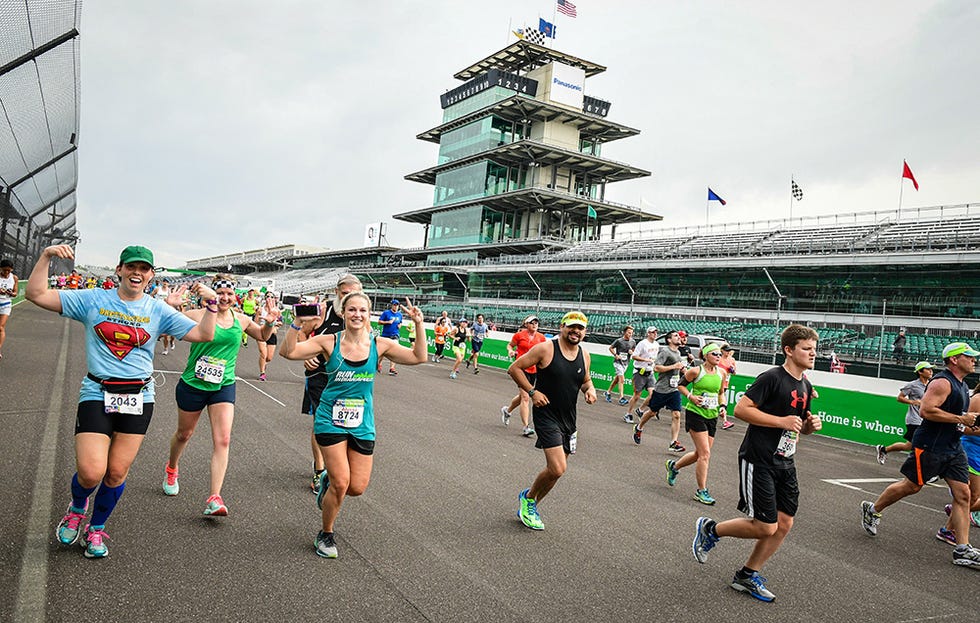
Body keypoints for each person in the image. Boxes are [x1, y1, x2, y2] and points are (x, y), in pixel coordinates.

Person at [27, 244, 217, 559]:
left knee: (115, 472)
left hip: (138, 398)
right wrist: (46, 257)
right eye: (131, 267)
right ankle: (77, 507)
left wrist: (211, 305)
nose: (137, 273)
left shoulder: (157, 310)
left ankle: (96, 529)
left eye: (144, 269)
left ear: (151, 275)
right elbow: (37, 295)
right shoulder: (93, 299)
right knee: (91, 472)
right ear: (119, 270)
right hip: (97, 393)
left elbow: (203, 335)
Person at [279, 292, 427, 559]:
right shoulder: (328, 341)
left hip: (362, 422)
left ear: (368, 314)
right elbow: (288, 352)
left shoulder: (379, 345)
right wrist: (296, 324)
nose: (357, 314)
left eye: (362, 310)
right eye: (351, 310)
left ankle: (328, 479)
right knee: (342, 482)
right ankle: (326, 533)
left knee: (356, 487)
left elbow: (419, 357)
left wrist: (418, 324)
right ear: (343, 313)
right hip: (329, 419)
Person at [691, 324, 822, 602]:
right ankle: (710, 529)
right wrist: (781, 421)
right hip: (759, 458)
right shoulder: (772, 377)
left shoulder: (806, 385)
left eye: (814, 349)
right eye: (806, 349)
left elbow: (796, 427)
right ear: (789, 350)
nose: (813, 354)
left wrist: (809, 426)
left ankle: (747, 575)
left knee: (784, 524)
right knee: (765, 526)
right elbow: (741, 410)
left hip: (785, 461)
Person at [162, 275, 276, 515]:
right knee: (184, 434)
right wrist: (170, 305)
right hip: (193, 383)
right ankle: (172, 468)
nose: (224, 298)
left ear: (235, 297)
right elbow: (165, 322)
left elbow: (264, 336)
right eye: (220, 293)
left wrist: (269, 323)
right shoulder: (196, 315)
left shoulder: (242, 320)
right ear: (210, 294)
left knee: (223, 439)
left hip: (223, 385)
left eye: (229, 294)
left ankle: (215, 497)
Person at [861, 342, 980, 569]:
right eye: (969, 356)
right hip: (930, 446)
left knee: (964, 495)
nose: (974, 360)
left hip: (953, 448)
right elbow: (927, 411)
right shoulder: (942, 382)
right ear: (954, 359)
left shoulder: (963, 386)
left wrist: (968, 423)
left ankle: (962, 549)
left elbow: (959, 417)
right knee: (912, 486)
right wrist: (961, 419)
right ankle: (873, 509)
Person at [511, 311, 596, 530]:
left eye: (580, 328)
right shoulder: (547, 348)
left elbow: (585, 379)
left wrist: (590, 389)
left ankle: (530, 506)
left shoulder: (584, 355)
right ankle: (529, 498)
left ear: (585, 332)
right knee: (558, 468)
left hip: (569, 418)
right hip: (546, 414)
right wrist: (532, 392)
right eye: (571, 326)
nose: (576, 331)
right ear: (562, 327)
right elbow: (515, 368)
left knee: (557, 470)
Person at [301, 276, 362, 494]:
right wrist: (306, 353)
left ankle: (336, 467)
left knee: (344, 423)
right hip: (319, 375)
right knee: (320, 422)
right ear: (336, 292)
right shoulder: (322, 311)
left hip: (347, 380)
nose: (348, 298)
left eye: (353, 294)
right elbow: (302, 333)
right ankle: (319, 470)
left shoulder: (359, 315)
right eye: (344, 294)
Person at [665, 343, 729, 505]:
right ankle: (701, 491)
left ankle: (674, 467)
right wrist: (691, 397)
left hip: (712, 415)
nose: (718, 356)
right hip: (696, 414)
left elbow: (721, 394)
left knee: (700, 454)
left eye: (719, 354)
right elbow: (680, 385)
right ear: (706, 355)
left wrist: (722, 407)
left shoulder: (721, 373)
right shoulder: (696, 371)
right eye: (714, 353)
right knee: (705, 454)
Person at [633, 329, 686, 453]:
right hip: (661, 389)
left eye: (679, 336)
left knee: (677, 415)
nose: (679, 337)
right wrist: (674, 366)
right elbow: (656, 368)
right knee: (651, 412)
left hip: (673, 389)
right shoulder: (665, 351)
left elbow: (677, 368)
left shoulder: (678, 353)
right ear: (669, 339)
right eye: (676, 336)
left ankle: (673, 442)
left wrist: (683, 370)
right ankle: (639, 427)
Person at [939, 381, 980, 535]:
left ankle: (950, 525)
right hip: (971, 450)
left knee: (969, 497)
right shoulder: (978, 399)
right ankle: (949, 527)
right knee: (973, 495)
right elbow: (965, 428)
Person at [875, 361, 934, 464]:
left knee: (909, 445)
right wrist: (913, 402)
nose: (931, 371)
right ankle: (924, 469)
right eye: (928, 369)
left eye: (931, 369)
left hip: (925, 419)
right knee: (921, 445)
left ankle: (884, 449)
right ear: (920, 372)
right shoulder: (912, 385)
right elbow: (900, 398)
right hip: (914, 419)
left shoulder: (932, 385)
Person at [501, 315, 547, 437]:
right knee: (526, 397)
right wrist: (510, 351)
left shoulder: (541, 338)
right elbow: (510, 345)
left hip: (535, 370)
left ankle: (507, 410)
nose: (535, 324)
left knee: (522, 396)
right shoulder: (519, 335)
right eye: (532, 322)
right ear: (526, 324)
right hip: (520, 369)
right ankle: (526, 427)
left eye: (536, 322)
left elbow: (545, 352)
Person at [623, 327, 658, 424]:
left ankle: (640, 410)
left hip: (650, 372)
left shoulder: (656, 344)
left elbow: (654, 358)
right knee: (637, 395)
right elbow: (634, 356)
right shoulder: (642, 343)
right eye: (652, 332)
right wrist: (645, 360)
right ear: (648, 333)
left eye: (656, 332)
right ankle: (628, 413)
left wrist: (654, 365)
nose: (655, 334)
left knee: (653, 394)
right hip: (639, 372)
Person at [606, 326, 636, 406]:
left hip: (626, 363)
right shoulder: (619, 341)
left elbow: (633, 349)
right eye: (629, 332)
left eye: (632, 333)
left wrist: (632, 351)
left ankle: (608, 392)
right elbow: (611, 348)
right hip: (618, 363)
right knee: (622, 379)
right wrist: (615, 355)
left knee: (617, 380)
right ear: (625, 332)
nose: (630, 334)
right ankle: (621, 398)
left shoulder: (633, 341)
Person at [256, 292, 282, 381]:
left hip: (272, 334)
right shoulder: (260, 310)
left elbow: (280, 321)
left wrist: (277, 325)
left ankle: (264, 364)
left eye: (272, 297)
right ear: (265, 298)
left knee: (269, 357)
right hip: (261, 334)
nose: (269, 298)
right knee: (263, 354)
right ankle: (262, 373)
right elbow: (255, 323)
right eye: (268, 296)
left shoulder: (276, 311)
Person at [377, 299, 404, 375]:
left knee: (394, 352)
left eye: (397, 305)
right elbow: (379, 322)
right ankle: (379, 364)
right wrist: (387, 322)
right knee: (382, 352)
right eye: (394, 305)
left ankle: (392, 368)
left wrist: (400, 325)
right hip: (385, 335)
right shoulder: (386, 313)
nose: (396, 307)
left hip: (395, 334)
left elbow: (401, 322)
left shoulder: (399, 315)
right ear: (391, 305)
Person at [0, 258, 19, 359]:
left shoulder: (14, 278)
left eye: (9, 270)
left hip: (6, 304)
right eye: (4, 270)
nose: (6, 272)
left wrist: (11, 293)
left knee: (0, 327)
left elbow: (16, 292)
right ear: (0, 269)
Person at [718, 344, 737, 430]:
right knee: (722, 402)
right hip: (717, 382)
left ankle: (724, 420)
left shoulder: (732, 359)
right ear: (722, 351)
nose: (728, 352)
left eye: (729, 351)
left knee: (722, 402)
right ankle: (725, 420)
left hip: (725, 383)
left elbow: (734, 373)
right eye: (726, 351)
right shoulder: (718, 358)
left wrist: (732, 369)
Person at [154, 279, 175, 355]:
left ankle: (172, 341)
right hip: (157, 312)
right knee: (163, 332)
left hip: (166, 312)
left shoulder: (169, 291)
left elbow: (172, 301)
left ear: (168, 284)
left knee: (169, 333)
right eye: (164, 282)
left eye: (167, 282)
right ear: (162, 282)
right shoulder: (157, 289)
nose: (165, 283)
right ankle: (165, 348)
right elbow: (150, 296)